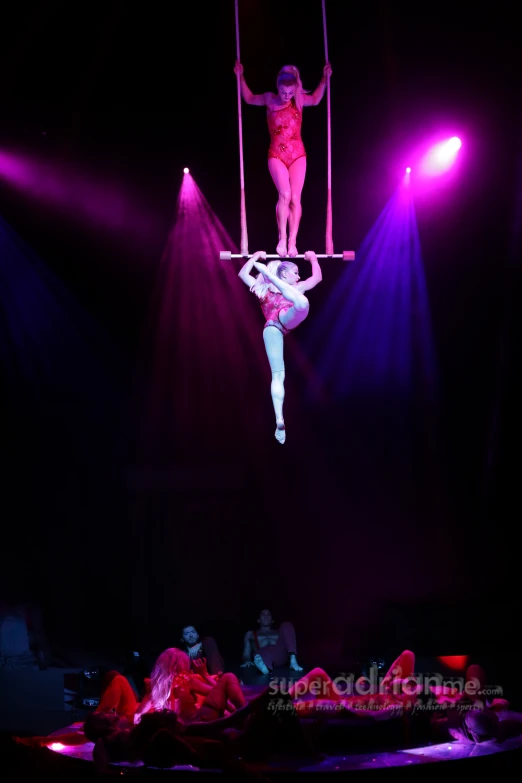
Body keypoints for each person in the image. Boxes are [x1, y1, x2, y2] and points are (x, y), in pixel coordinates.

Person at [234, 61, 332, 257]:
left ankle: (293, 242)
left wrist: (324, 79)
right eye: (283, 92)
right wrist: (241, 76)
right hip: (277, 155)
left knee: (296, 199)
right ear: (277, 87)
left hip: (298, 155)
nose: (286, 96)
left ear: (295, 89)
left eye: (290, 92)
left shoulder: (299, 101)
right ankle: (282, 238)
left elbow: (316, 98)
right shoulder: (270, 100)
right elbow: (249, 98)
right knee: (285, 195)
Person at [238, 250, 322, 444]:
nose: (299, 276)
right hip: (280, 323)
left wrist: (312, 258)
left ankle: (279, 419)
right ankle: (279, 419)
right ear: (284, 275)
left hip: (275, 327)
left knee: (278, 375)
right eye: (295, 272)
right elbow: (243, 275)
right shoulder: (266, 287)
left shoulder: (268, 287)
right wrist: (254, 258)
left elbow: (317, 278)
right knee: (302, 303)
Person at [134, 647, 246, 725]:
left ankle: (240, 714)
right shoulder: (185, 680)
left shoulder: (155, 688)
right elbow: (220, 692)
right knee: (229, 677)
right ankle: (245, 714)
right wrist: (205, 674)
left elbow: (138, 715)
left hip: (180, 728)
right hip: (198, 723)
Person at [241, 609, 303, 675]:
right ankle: (265, 668)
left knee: (286, 624)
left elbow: (290, 640)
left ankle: (293, 660)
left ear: (272, 620)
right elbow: (246, 653)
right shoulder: (250, 634)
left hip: (280, 656)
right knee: (258, 655)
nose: (266, 616)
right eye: (263, 614)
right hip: (262, 655)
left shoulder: (279, 632)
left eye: (268, 615)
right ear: (258, 620)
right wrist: (247, 661)